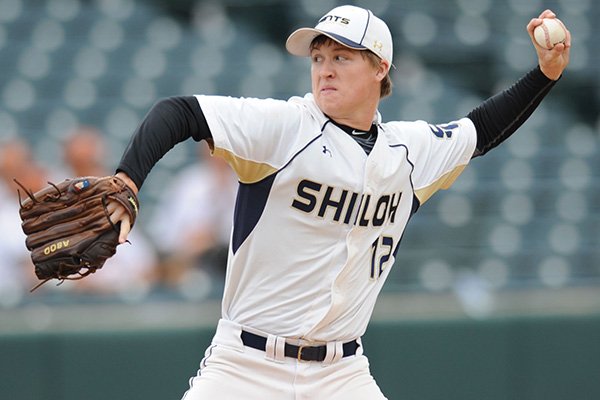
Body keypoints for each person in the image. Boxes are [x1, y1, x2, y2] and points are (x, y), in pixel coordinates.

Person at [107, 5, 570, 399]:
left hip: (341, 374)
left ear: (380, 68)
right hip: (245, 367)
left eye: (341, 57)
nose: (324, 68)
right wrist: (128, 179)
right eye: (318, 56)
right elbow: (180, 112)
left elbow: (481, 130)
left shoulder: (409, 153)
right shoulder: (286, 128)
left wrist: (545, 75)